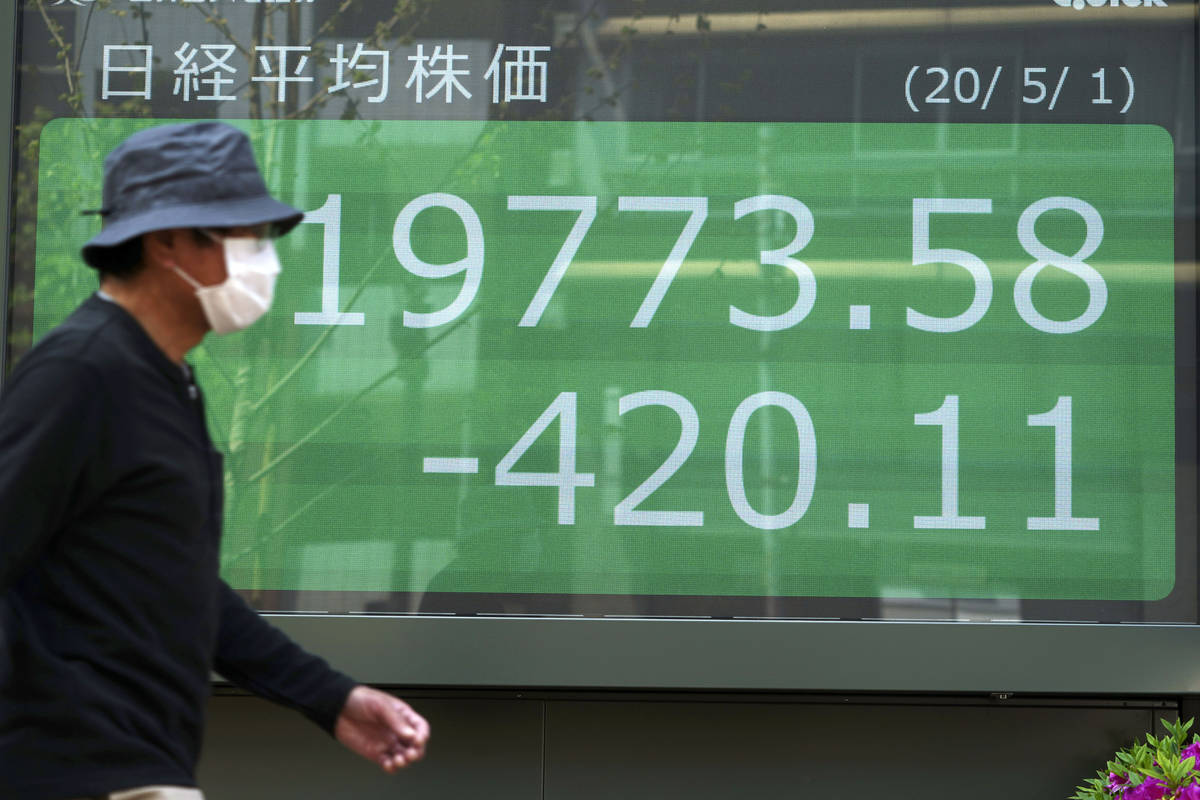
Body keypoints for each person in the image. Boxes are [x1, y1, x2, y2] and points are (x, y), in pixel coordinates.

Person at [0, 122, 430, 800]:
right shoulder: (81, 373)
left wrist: (332, 699)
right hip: (79, 772)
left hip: (141, 768)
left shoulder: (170, 382)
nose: (265, 260)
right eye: (243, 235)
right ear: (166, 241)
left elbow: (184, 586)